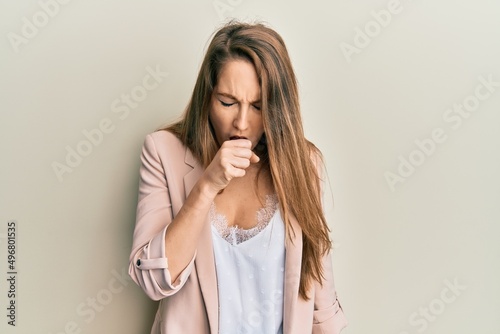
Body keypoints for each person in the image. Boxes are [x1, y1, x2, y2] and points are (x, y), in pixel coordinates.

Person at [128, 21, 347, 334]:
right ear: (207, 97)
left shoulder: (303, 163)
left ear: (277, 107)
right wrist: (206, 187)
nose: (241, 123)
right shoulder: (164, 152)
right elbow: (152, 280)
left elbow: (320, 303)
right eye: (227, 102)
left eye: (258, 106)